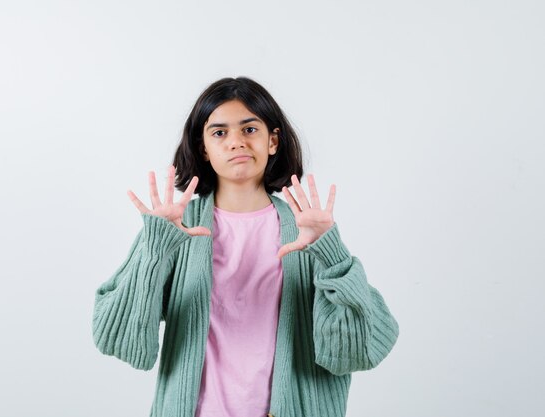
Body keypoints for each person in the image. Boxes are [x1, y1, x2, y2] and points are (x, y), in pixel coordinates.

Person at [91, 77, 399, 417]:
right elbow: (114, 336)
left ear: (273, 141)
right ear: (203, 148)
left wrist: (333, 255)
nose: (236, 142)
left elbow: (361, 348)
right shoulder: (178, 227)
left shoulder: (305, 230)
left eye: (250, 129)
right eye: (220, 132)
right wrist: (155, 249)